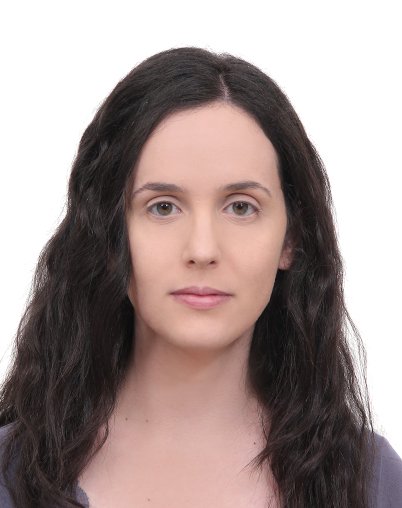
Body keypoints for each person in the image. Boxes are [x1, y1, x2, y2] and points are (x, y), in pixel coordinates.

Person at [0, 46, 401, 508]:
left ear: (291, 239)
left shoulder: (374, 483)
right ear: (109, 234)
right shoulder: (9, 474)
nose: (203, 250)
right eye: (163, 207)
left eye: (241, 207)